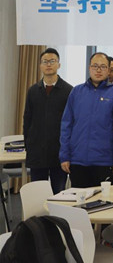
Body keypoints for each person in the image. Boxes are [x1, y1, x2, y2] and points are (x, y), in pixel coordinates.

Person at [60, 52, 113, 188]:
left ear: (108, 70)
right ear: (89, 68)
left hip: (104, 161)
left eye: (103, 66)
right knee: (79, 199)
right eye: (95, 66)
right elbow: (66, 126)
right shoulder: (76, 92)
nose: (98, 70)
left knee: (103, 200)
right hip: (77, 159)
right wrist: (64, 156)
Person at [23, 48, 72, 194]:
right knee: (38, 193)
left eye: (52, 61)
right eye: (45, 61)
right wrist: (28, 145)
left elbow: (72, 122)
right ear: (40, 65)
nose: (48, 64)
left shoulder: (69, 91)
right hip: (37, 152)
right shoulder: (33, 91)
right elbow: (27, 120)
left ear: (59, 64)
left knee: (59, 192)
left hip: (59, 152)